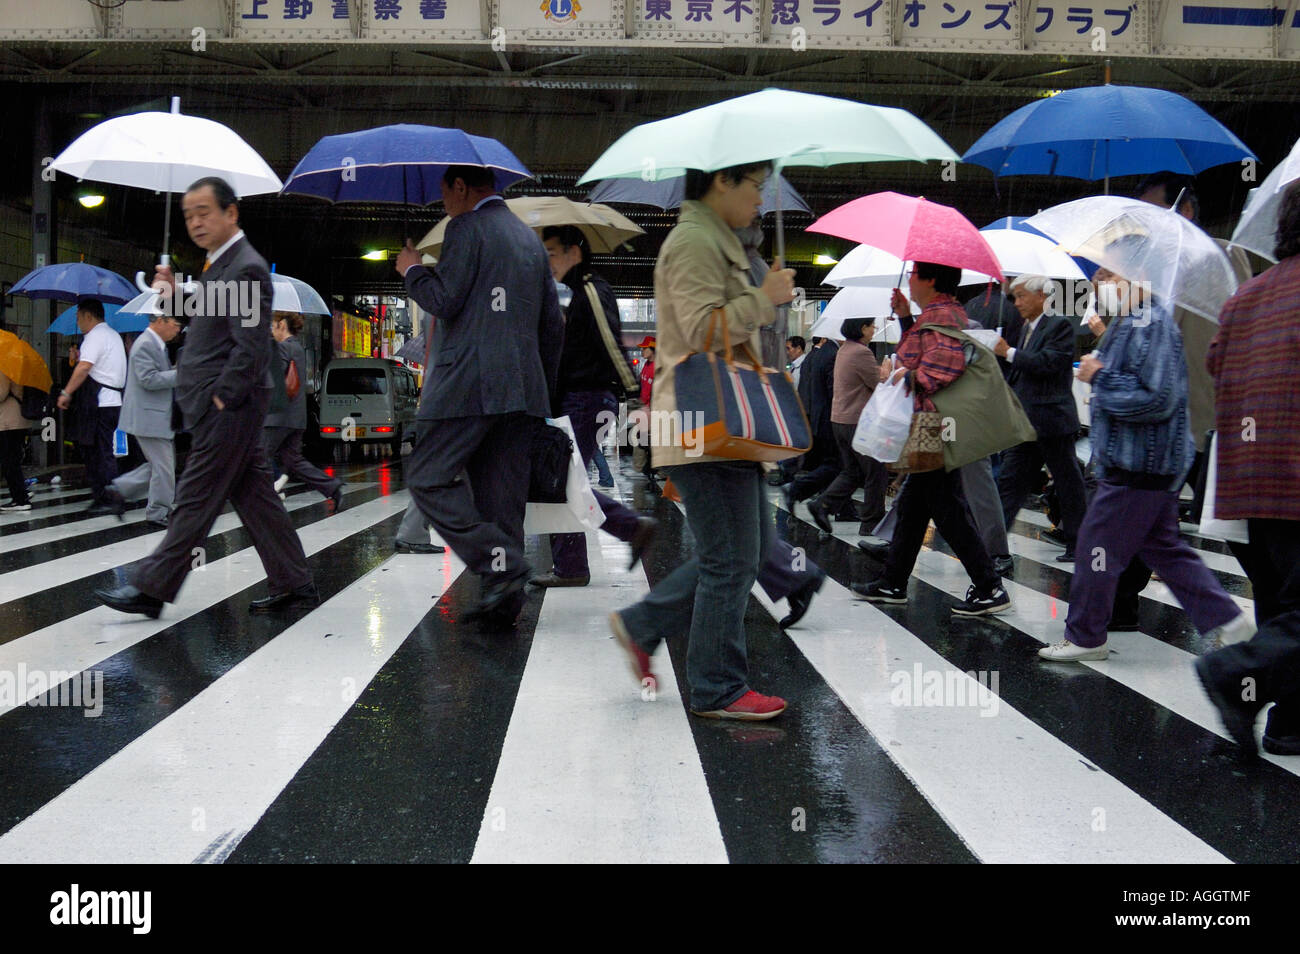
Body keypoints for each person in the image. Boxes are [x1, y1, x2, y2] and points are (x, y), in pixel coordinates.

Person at [609, 160, 797, 720]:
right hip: (701, 422)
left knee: (747, 551)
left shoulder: (721, 243)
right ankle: (717, 687)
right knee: (730, 561)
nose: (762, 200)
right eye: (756, 187)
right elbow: (698, 331)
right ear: (722, 181)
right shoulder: (694, 242)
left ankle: (642, 626)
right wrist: (763, 297)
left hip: (723, 422)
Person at [94, 176, 315, 618]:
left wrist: (222, 399)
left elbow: (251, 346)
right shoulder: (220, 264)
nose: (195, 222)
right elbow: (216, 315)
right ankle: (294, 582)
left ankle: (151, 587)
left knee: (195, 498)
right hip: (226, 408)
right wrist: (175, 293)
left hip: (229, 409)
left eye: (204, 212)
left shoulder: (246, 266)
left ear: (231, 213)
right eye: (188, 214)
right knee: (257, 499)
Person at [1037, 265, 1253, 662]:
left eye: (1110, 278)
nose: (1102, 287)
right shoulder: (1131, 322)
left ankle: (1086, 635)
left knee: (1094, 546)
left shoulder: (1149, 323)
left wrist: (1101, 377)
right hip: (1142, 460)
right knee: (1162, 547)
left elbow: (1158, 399)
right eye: (1100, 280)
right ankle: (1227, 621)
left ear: (1139, 279)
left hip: (1140, 461)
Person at [393, 164, 563, 625]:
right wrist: (539, 389)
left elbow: (446, 300)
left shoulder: (466, 226)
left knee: (428, 477)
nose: (444, 203)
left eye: (445, 193)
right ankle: (504, 601)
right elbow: (552, 325)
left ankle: (497, 562)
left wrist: (412, 271)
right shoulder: (529, 240)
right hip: (522, 390)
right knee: (501, 499)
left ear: (461, 187)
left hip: (467, 384)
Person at [1196, 181, 1300, 757]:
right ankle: (1234, 675)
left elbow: (1217, 364)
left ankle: (1287, 722)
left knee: (1284, 608)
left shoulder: (1245, 296)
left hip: (1249, 476)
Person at [851, 262, 1010, 616]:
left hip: (936, 425)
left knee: (946, 507)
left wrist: (909, 376)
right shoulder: (936, 314)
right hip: (935, 422)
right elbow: (924, 350)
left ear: (931, 279)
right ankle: (893, 582)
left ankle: (989, 586)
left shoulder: (945, 315)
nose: (909, 279)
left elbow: (941, 369)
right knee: (915, 506)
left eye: (914, 274)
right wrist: (907, 317)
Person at [530, 224, 656, 588]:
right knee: (565, 480)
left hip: (587, 399)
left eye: (552, 252)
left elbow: (610, 341)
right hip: (580, 398)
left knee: (564, 481)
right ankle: (579, 559)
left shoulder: (590, 290)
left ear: (575, 251)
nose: (547, 260)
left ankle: (625, 531)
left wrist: (633, 394)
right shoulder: (578, 293)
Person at [993, 274, 1089, 563]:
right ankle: (993, 544)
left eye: (1022, 296)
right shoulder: (1027, 328)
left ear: (1041, 296)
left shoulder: (1058, 325)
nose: (1017, 302)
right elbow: (1020, 372)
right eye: (1015, 296)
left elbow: (1047, 363)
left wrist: (1007, 352)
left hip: (1052, 421)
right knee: (1011, 483)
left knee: (1068, 482)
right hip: (1027, 422)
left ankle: (1078, 543)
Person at [102, 310, 184, 527]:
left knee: (158, 465)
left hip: (154, 416)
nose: (177, 328)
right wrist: (182, 374)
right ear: (160, 321)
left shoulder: (156, 344)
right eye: (175, 323)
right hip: (148, 417)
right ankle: (157, 512)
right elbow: (149, 379)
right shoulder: (145, 344)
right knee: (164, 467)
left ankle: (121, 489)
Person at [807, 317, 886, 537]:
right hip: (858, 422)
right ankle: (871, 523)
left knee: (853, 471)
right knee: (875, 472)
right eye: (872, 326)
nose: (874, 330)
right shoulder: (862, 353)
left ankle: (822, 504)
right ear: (862, 328)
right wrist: (887, 372)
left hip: (840, 421)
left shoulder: (844, 350)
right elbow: (877, 384)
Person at [264, 312, 344, 513]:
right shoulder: (297, 348)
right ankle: (331, 486)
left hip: (277, 418)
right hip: (296, 418)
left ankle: (265, 498)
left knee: (258, 456)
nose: (272, 330)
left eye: (273, 326)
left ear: (282, 325)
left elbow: (274, 380)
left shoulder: (282, 348)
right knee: (294, 461)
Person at [56, 300, 126, 513]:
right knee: (97, 450)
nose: (78, 323)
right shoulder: (112, 335)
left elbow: (85, 368)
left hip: (100, 403)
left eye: (78, 318)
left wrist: (66, 392)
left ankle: (110, 498)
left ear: (88, 316)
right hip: (110, 402)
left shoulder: (95, 337)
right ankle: (102, 495)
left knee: (99, 452)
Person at [0, 366, 34, 512]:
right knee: (11, 460)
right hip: (16, 419)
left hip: (8, 421)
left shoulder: (4, 367)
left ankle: (21, 499)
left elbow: (1, 393)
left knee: (9, 461)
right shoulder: (16, 366)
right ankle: (20, 496)